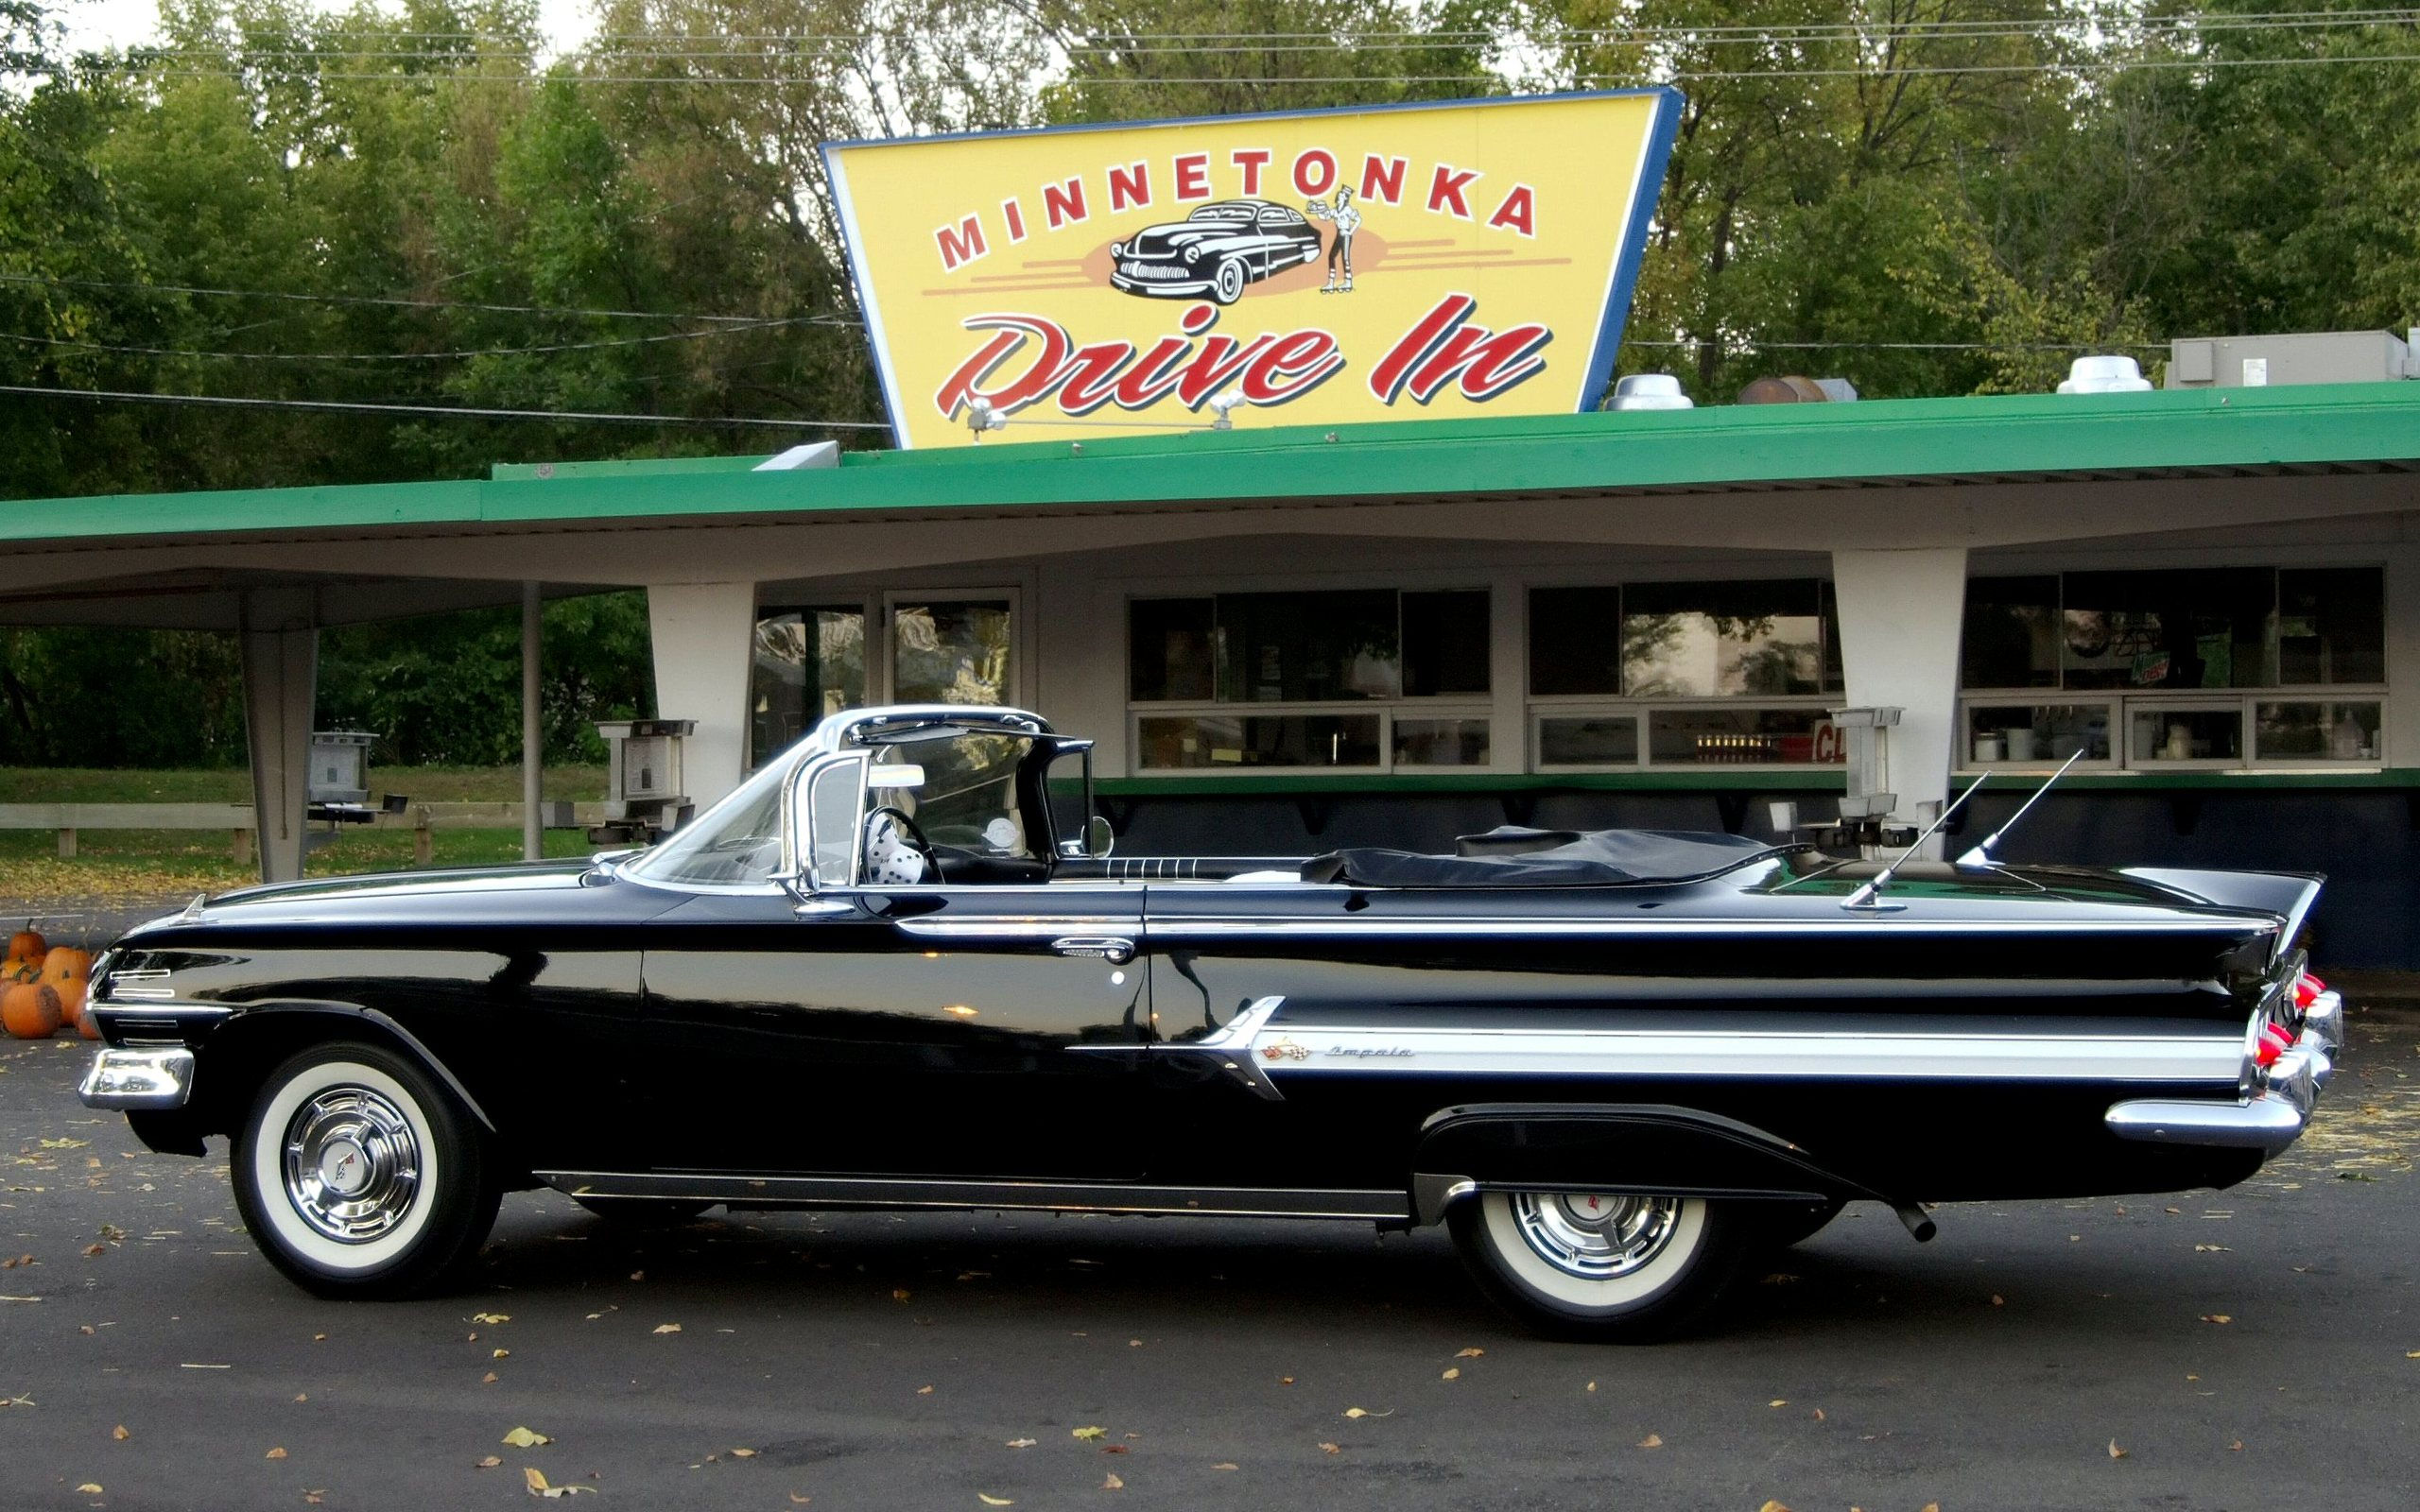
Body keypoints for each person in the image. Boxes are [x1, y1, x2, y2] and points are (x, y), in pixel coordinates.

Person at [1306, 186, 1359, 293]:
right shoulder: (1335, 210)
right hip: (1339, 235)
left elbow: (1358, 220)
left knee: (1345, 258)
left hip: (1346, 235)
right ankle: (1331, 282)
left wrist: (1350, 232)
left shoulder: (1347, 209)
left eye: (1341, 195)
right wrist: (1316, 210)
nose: (1339, 197)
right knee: (1331, 256)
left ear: (1345, 198)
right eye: (1339, 195)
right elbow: (1325, 217)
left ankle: (1348, 281)